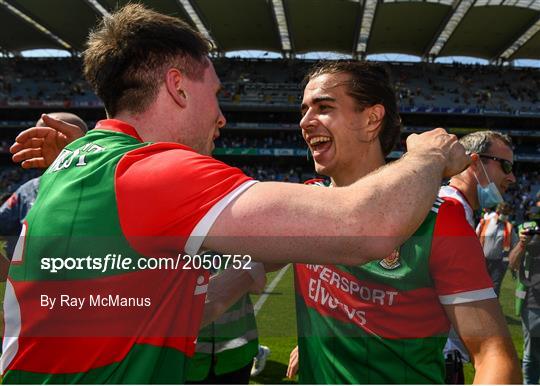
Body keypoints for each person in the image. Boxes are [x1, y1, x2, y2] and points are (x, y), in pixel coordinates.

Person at [2, 5, 469, 383]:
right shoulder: (153, 175)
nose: (222, 116)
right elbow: (365, 228)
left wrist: (244, 275)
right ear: (178, 87)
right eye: (217, 93)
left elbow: (166, 306)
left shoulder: (83, 159)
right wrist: (427, 157)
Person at [286, 62, 520, 384]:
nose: (305, 122)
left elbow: (493, 353)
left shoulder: (439, 221)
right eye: (304, 110)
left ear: (372, 119)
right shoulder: (303, 203)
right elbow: (242, 272)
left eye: (324, 107)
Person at [440, 130, 519, 383]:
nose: (512, 177)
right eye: (505, 166)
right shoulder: (449, 211)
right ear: (474, 162)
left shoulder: (451, 206)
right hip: (436, 362)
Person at [0, 113, 87, 261]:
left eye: (49, 136)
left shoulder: (107, 183)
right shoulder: (27, 190)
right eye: (37, 136)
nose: (45, 145)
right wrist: (8, 271)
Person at [510, 207, 540, 384]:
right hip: (532, 301)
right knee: (531, 352)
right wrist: (522, 244)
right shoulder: (526, 230)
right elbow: (512, 264)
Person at [476, 202, 519, 296]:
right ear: (498, 212)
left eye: (507, 214)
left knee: (495, 288)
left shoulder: (509, 227)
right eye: (504, 213)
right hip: (483, 261)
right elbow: (475, 237)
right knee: (480, 287)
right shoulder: (485, 222)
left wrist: (513, 262)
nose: (505, 215)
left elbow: (515, 244)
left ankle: (492, 309)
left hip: (498, 263)